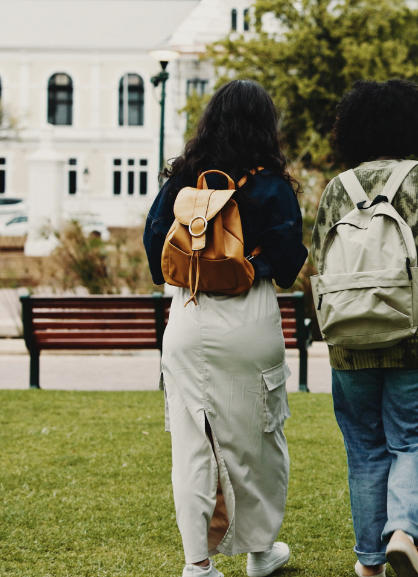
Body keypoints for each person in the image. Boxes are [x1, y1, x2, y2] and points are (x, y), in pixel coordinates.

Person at [144, 79, 308, 577]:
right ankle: (261, 551)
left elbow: (156, 252)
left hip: (189, 315)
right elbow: (286, 261)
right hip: (247, 315)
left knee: (194, 444)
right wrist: (251, 263)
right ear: (265, 126)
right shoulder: (271, 185)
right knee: (261, 436)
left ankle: (199, 563)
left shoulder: (183, 182)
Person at [311, 79, 418, 577]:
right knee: (417, 440)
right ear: (417, 125)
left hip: (350, 339)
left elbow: (319, 259)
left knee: (364, 449)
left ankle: (369, 563)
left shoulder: (340, 188)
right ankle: (404, 533)